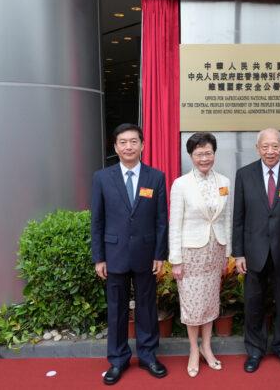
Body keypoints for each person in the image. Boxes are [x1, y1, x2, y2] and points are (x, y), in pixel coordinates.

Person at [91, 123, 168, 385]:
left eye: (133, 141)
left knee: (147, 308)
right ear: (115, 146)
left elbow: (161, 220)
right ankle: (118, 359)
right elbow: (97, 221)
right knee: (116, 309)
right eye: (123, 142)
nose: (128, 146)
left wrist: (160, 255)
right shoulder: (102, 178)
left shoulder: (155, 177)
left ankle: (147, 356)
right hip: (114, 254)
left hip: (147, 255)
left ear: (142, 145)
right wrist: (99, 257)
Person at [232, 128, 280, 373]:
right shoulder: (244, 175)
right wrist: (239, 253)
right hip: (254, 253)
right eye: (265, 146)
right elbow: (239, 218)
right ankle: (255, 350)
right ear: (257, 149)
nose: (270, 151)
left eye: (275, 146)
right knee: (253, 304)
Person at [168, 132, 232, 378]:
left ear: (214, 154)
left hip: (215, 251)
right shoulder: (181, 184)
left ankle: (207, 346)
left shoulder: (224, 181)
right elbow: (175, 224)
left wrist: (228, 253)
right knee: (192, 304)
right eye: (199, 154)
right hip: (190, 253)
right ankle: (194, 349)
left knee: (209, 302)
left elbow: (225, 218)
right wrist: (175, 259)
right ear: (191, 156)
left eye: (208, 153)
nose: (204, 158)